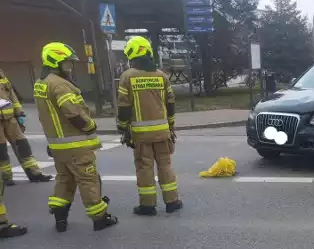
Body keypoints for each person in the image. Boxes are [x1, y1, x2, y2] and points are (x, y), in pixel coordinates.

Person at [34, 42, 118, 232]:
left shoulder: (42, 83)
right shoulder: (59, 84)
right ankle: (100, 218)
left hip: (58, 145)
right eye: (67, 63)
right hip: (75, 145)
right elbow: (73, 113)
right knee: (89, 180)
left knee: (65, 180)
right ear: (55, 62)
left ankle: (60, 216)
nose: (70, 67)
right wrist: (91, 126)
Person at [117, 36, 182, 216]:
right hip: (162, 132)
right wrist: (171, 126)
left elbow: (124, 107)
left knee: (144, 168)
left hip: (141, 135)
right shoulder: (161, 75)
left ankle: (148, 206)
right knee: (165, 165)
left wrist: (122, 127)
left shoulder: (127, 77)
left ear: (132, 55)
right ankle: (172, 201)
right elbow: (170, 103)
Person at [0, 70, 53, 185]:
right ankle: (5, 178)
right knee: (1, 150)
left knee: (23, 147)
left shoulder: (1, 74)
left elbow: (12, 94)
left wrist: (20, 112)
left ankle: (35, 174)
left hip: (10, 118)